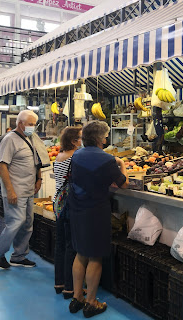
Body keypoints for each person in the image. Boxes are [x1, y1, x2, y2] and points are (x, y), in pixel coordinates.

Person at [67, 121, 128, 317]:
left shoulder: (76, 155)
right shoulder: (106, 159)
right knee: (95, 256)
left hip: (76, 209)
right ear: (101, 138)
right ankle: (92, 302)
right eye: (106, 136)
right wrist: (122, 165)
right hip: (95, 212)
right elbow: (123, 184)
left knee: (80, 253)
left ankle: (78, 297)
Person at [0, 110, 42, 270]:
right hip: (15, 190)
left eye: (34, 124)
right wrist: (10, 190)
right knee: (15, 223)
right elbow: (3, 166)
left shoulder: (29, 138)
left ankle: (19, 256)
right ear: (20, 124)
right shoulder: (9, 139)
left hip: (28, 190)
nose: (33, 127)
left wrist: (38, 179)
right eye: (31, 124)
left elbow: (36, 159)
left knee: (27, 224)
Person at [53, 126, 82, 299]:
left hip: (59, 204)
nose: (82, 140)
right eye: (80, 138)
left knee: (60, 244)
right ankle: (70, 288)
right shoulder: (75, 156)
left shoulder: (59, 156)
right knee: (72, 246)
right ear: (73, 141)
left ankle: (59, 283)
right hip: (71, 204)